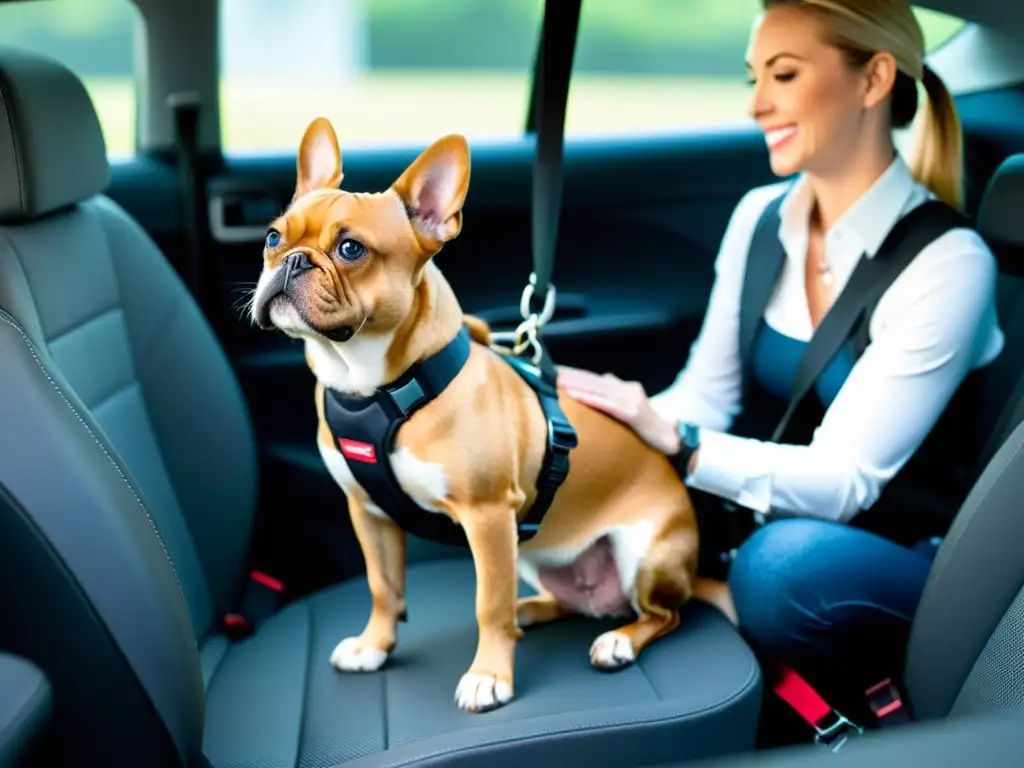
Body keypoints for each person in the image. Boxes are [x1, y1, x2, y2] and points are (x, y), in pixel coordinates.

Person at [556, 0, 1004, 722]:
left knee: (780, 568)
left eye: (785, 75)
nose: (758, 103)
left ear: (873, 79)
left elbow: (845, 482)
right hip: (774, 515)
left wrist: (681, 446)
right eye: (752, 78)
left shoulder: (948, 263)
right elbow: (705, 394)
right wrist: (595, 445)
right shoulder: (760, 219)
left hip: (901, 554)